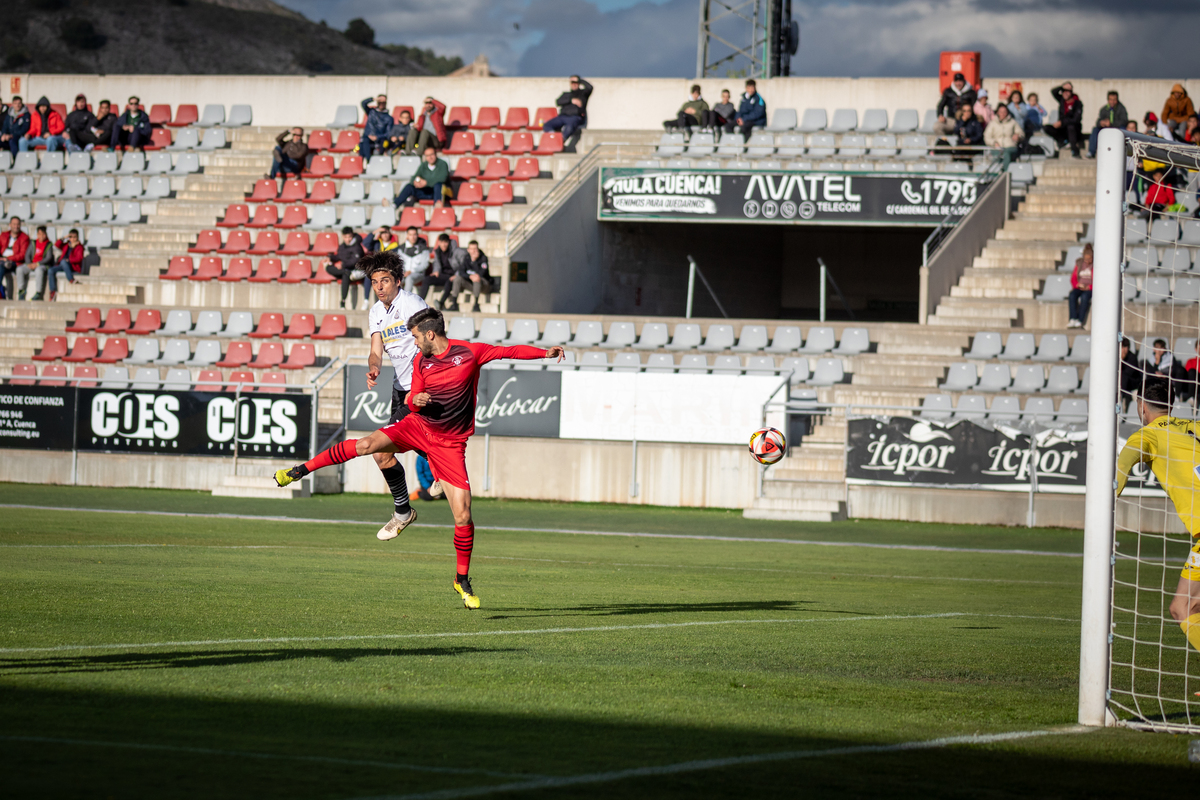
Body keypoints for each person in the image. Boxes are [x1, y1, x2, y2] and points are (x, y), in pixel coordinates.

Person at [274, 307, 566, 610]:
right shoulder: (421, 361)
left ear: (430, 334)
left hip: (450, 444)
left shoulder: (469, 352)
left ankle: (461, 580)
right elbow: (413, 398)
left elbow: (509, 351)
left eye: (415, 336)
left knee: (463, 515)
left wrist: (544, 354)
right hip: (417, 427)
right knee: (367, 445)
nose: (413, 343)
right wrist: (416, 399)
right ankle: (300, 470)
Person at [1115, 378, 1200, 661]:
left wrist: (1103, 505)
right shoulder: (1195, 427)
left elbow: (1122, 465)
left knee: (1183, 608)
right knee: (1185, 606)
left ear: (1141, 406)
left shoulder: (1146, 435)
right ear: (1172, 405)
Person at [360, 251, 430, 540]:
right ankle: (412, 502)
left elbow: (430, 341)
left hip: (421, 387)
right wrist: (374, 368)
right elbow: (376, 350)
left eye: (385, 281)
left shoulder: (412, 303)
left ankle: (403, 511)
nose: (379, 287)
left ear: (397, 281)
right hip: (400, 388)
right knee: (387, 454)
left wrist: (426, 381)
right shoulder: (376, 311)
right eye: (375, 282)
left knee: (381, 449)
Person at [322, 226, 366, 309]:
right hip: (344, 270)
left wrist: (343, 265)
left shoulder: (357, 247)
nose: (348, 239)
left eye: (349, 237)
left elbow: (356, 261)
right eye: (346, 237)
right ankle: (343, 272)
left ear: (352, 236)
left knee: (346, 274)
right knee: (328, 267)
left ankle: (343, 301)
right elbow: (339, 256)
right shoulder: (342, 246)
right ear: (343, 237)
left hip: (354, 271)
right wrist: (330, 258)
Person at [542, 75, 593, 141]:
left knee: (569, 127)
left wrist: (580, 80)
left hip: (575, 117)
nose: (574, 84)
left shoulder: (583, 94)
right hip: (562, 117)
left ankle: (560, 141)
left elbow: (590, 87)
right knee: (547, 125)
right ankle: (554, 139)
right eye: (572, 82)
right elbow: (558, 102)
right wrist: (571, 100)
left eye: (575, 82)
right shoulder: (566, 94)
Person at [1044, 82, 1083, 157]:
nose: (1065, 93)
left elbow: (1076, 120)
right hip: (1063, 129)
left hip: (1074, 130)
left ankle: (1074, 150)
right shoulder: (1062, 101)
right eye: (1063, 91)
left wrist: (1062, 122)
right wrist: (1062, 87)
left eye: (1067, 91)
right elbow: (1053, 91)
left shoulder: (1077, 103)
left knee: (1071, 127)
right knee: (1046, 128)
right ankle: (1063, 142)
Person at [450, 240, 491, 312]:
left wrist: (474, 261)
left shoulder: (483, 258)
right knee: (457, 279)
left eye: (475, 249)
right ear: (468, 250)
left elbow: (483, 273)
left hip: (483, 284)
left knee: (477, 279)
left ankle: (476, 304)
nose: (473, 251)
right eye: (471, 249)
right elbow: (461, 272)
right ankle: (454, 303)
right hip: (471, 283)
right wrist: (470, 276)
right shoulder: (466, 258)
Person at [429, 233, 466, 309]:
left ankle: (441, 302)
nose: (444, 245)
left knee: (449, 282)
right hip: (443, 275)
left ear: (448, 242)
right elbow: (436, 263)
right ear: (439, 243)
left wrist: (457, 274)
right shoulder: (437, 251)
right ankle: (420, 301)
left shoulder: (457, 251)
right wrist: (436, 271)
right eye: (442, 242)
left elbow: (464, 264)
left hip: (454, 275)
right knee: (427, 279)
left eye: (445, 242)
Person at [17, 225, 53, 301]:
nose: (41, 236)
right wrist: (29, 263)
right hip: (31, 264)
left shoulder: (48, 244)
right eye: (40, 234)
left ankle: (38, 293)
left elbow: (48, 257)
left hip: (41, 265)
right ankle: (21, 291)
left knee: (39, 271)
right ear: (37, 234)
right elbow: (27, 255)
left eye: (43, 234)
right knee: (20, 269)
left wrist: (38, 264)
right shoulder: (33, 242)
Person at [1089, 91, 1128, 158]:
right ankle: (1091, 152)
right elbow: (1098, 121)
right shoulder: (1104, 109)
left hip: (1117, 129)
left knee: (1123, 130)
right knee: (1095, 129)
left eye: (1114, 100)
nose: (1112, 102)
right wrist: (1102, 123)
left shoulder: (1121, 109)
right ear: (1108, 100)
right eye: (1110, 99)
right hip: (1106, 128)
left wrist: (1111, 124)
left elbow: (1124, 121)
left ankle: (1122, 151)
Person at [983, 102, 1023, 169]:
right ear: (998, 112)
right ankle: (998, 172)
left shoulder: (1013, 122)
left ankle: (1004, 174)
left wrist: (1018, 136)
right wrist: (994, 143)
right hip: (997, 147)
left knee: (1006, 153)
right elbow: (987, 136)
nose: (1003, 114)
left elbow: (1021, 133)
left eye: (1004, 112)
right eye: (1001, 112)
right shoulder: (992, 123)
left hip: (1010, 146)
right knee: (999, 154)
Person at [47, 229, 83, 300]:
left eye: (74, 237)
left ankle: (71, 279)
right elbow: (56, 244)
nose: (72, 239)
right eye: (71, 237)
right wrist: (64, 237)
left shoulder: (79, 247)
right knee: (51, 270)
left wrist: (69, 260)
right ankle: (52, 290)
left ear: (77, 238)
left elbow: (79, 258)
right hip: (63, 266)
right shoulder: (66, 245)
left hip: (72, 266)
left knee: (63, 262)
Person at [0, 216, 30, 300]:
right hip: (2, 260)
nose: (16, 226)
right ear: (10, 225)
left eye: (18, 224)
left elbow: (22, 255)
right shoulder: (3, 235)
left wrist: (8, 258)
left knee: (1, 266)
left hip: (14, 262)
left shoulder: (24, 238)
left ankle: (1, 293)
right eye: (14, 224)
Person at [397, 225, 432, 295]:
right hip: (404, 273)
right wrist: (403, 272)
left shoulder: (423, 248)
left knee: (409, 278)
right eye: (410, 235)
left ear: (417, 235)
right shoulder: (401, 248)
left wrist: (411, 271)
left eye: (414, 235)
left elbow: (425, 264)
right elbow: (399, 263)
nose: (412, 237)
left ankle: (406, 301)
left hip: (418, 273)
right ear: (407, 235)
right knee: (395, 279)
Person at [1067, 243, 1093, 329]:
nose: (1087, 261)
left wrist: (1089, 287)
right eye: (1086, 259)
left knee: (1085, 297)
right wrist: (1077, 284)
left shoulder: (1096, 265)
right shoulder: (1079, 264)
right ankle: (1073, 318)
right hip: (1079, 287)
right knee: (1072, 295)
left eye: (1089, 259)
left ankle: (1080, 320)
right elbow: (1073, 278)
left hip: (1090, 288)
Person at [360, 94, 393, 159]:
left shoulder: (389, 118)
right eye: (380, 101)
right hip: (368, 135)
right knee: (363, 142)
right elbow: (363, 103)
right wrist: (374, 99)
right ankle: (368, 161)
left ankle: (376, 159)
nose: (381, 103)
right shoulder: (371, 112)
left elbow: (388, 133)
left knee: (384, 142)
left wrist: (377, 137)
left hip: (379, 138)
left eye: (383, 102)